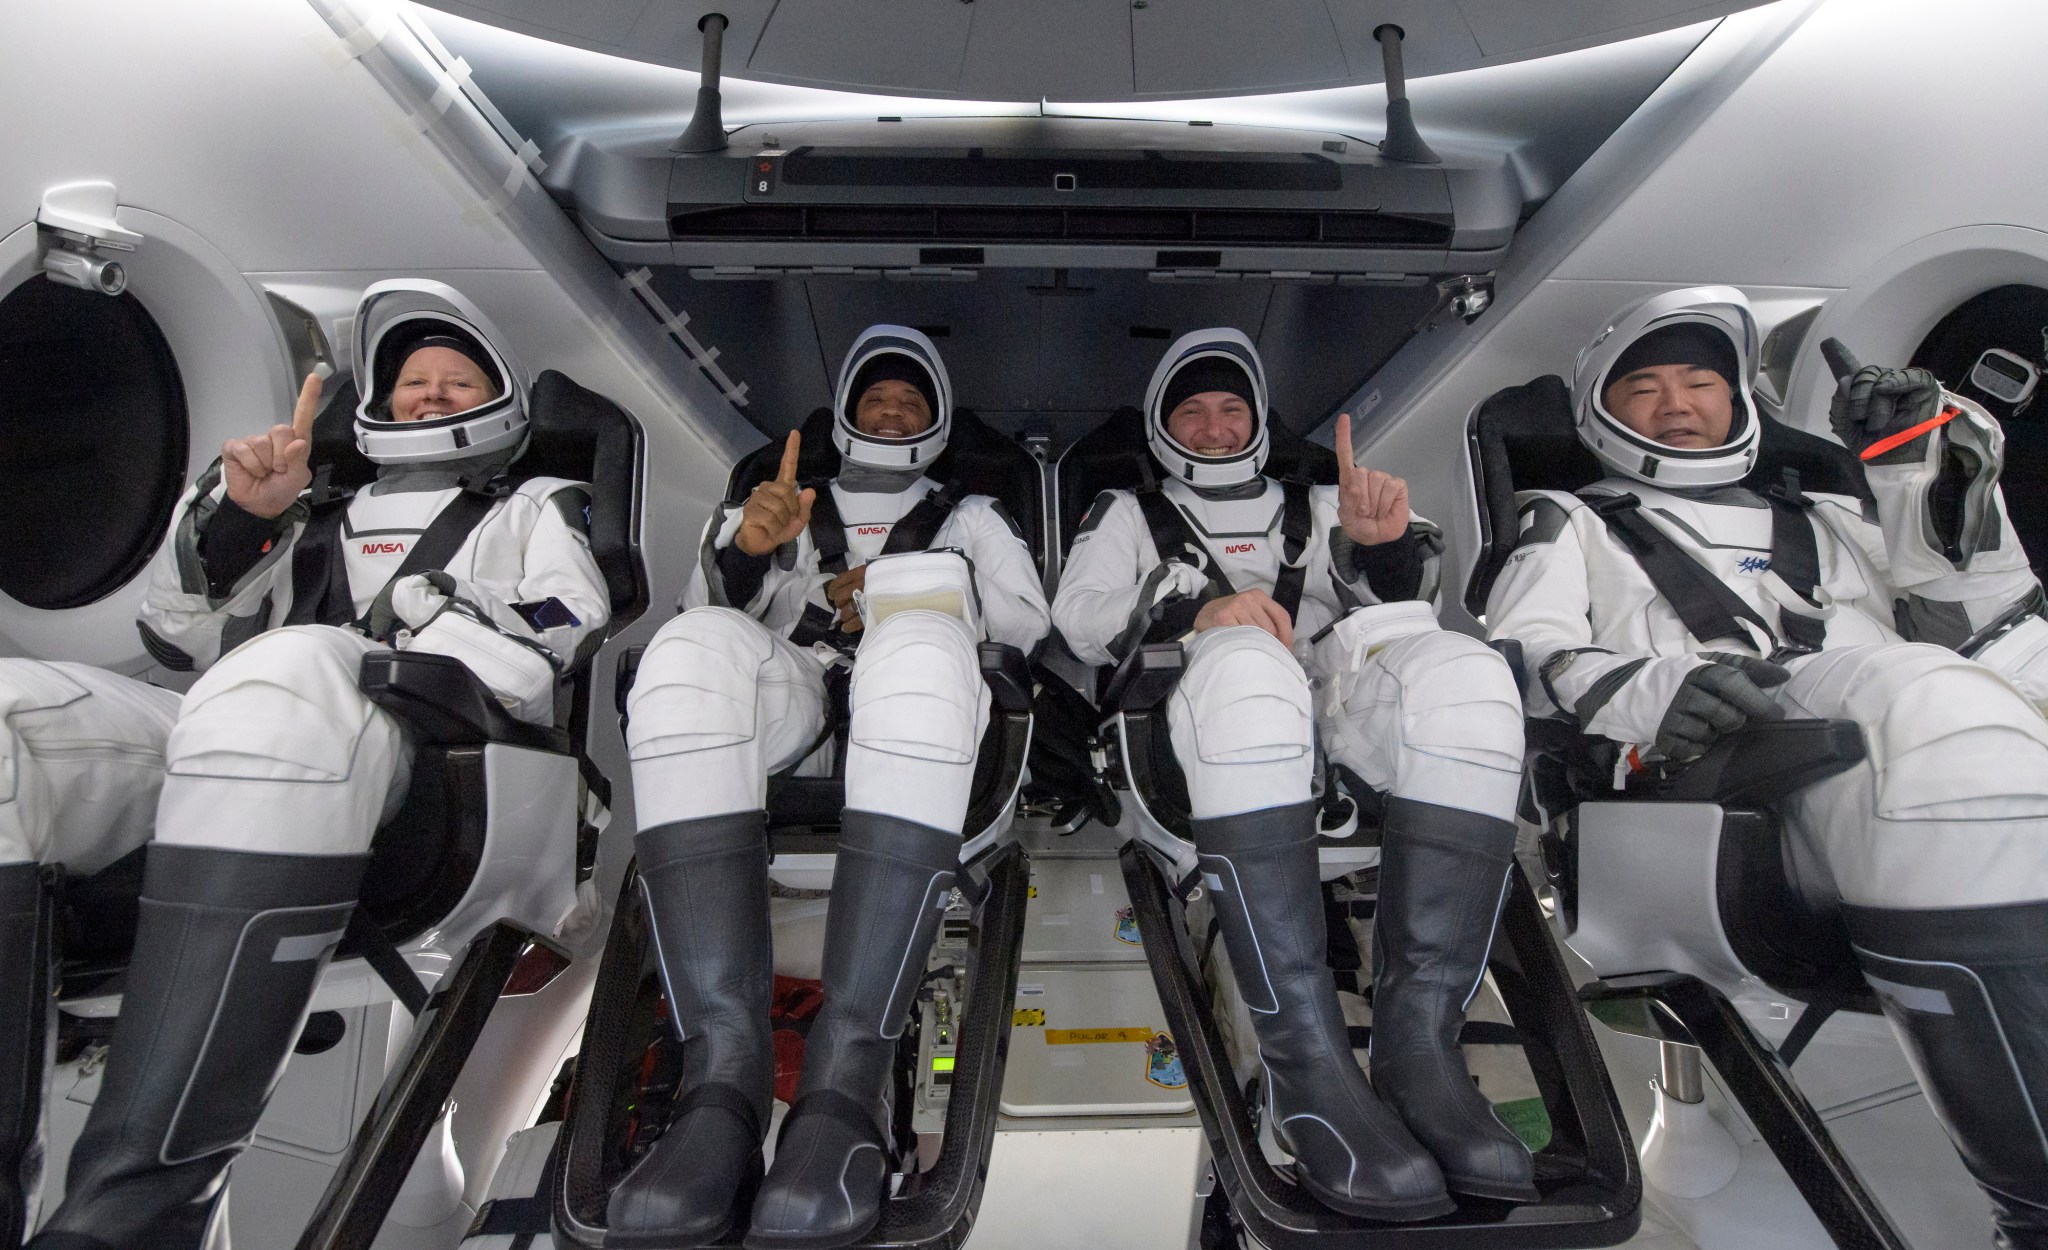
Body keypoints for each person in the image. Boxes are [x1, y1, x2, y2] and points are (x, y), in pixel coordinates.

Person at [17, 279, 610, 1250]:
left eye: (453, 379)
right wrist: (242, 518)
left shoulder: (536, 505)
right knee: (14, 714)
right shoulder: (309, 511)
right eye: (411, 380)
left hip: (435, 758)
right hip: (239, 731)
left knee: (290, 674)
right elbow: (177, 640)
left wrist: (428, 614)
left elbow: (560, 623)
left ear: (498, 400)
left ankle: (134, 1223)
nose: (428, 393)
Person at [1485, 285, 2048, 1249]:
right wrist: (1650, 692)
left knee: (1967, 701)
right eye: (1645, 388)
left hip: (1894, 740)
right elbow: (1526, 660)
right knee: (1937, 711)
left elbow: (1989, 626)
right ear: (1599, 417)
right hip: (1707, 782)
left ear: (1736, 397)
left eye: (1700, 380)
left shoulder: (1835, 516)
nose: (1676, 404)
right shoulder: (1570, 524)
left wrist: (1919, 474)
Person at [1051, 329, 1533, 1220]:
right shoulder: (1127, 512)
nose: (1214, 426)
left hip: (1336, 717)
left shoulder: (1324, 500)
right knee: (1245, 662)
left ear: (1257, 422)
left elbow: (1393, 613)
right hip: (1201, 717)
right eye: (1191, 411)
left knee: (1468, 673)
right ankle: (1306, 1070)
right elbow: (1079, 620)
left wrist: (1382, 553)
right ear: (1163, 428)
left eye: (1232, 408)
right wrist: (1200, 606)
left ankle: (1420, 1052)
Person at [613, 326, 1048, 1248]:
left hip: (926, 697)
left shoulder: (971, 514)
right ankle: (719, 1092)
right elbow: (720, 619)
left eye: (911, 403)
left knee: (920, 644)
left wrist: (913, 586)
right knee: (687, 650)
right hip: (802, 698)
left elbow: (1024, 623)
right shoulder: (780, 501)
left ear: (935, 423)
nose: (893, 413)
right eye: (877, 400)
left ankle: (842, 1097)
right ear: (846, 414)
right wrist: (748, 552)